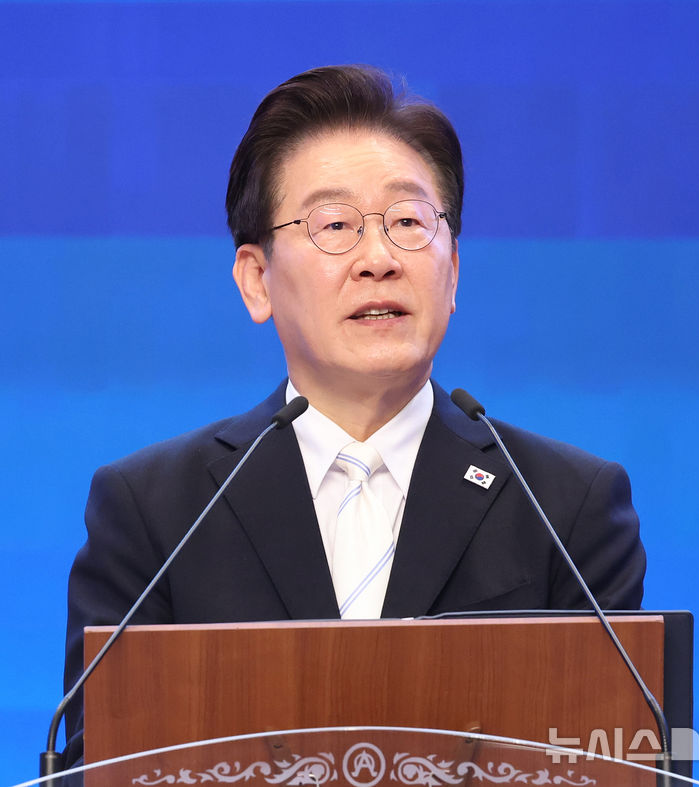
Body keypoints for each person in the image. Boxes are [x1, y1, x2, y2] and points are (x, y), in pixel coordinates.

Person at [61, 64, 645, 767]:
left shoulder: (565, 506)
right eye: (335, 225)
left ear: (453, 271)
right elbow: (105, 765)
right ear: (257, 280)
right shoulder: (156, 512)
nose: (379, 259)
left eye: (408, 222)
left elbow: (618, 760)